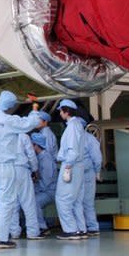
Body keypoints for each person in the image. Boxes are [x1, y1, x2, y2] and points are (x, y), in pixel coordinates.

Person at [0, 90, 41, 249]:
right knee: (6, 202)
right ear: (10, 105)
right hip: (5, 166)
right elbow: (31, 124)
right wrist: (34, 107)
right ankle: (1, 238)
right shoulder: (9, 121)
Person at [55, 99, 88, 240]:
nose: (60, 114)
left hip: (71, 165)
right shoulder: (76, 125)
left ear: (66, 111)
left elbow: (73, 150)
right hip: (77, 166)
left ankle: (71, 230)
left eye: (61, 111)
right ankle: (80, 229)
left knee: (63, 199)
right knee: (75, 201)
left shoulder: (73, 127)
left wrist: (67, 167)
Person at [9, 132, 43, 240]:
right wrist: (34, 169)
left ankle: (14, 232)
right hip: (22, 170)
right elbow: (31, 155)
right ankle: (32, 232)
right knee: (28, 202)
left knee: (12, 203)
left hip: (8, 170)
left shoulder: (5, 134)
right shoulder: (24, 136)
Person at [30, 132, 56, 236]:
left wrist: (34, 188)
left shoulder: (46, 158)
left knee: (34, 201)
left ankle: (42, 227)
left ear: (36, 145)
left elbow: (47, 181)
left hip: (50, 191)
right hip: (44, 188)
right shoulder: (40, 157)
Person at [82, 129, 103, 236]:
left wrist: (97, 171)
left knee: (87, 202)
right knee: (83, 202)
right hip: (82, 173)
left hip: (86, 173)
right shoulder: (89, 138)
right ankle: (86, 227)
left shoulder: (88, 138)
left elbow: (97, 158)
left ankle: (92, 227)